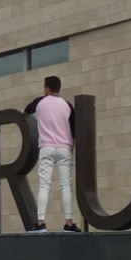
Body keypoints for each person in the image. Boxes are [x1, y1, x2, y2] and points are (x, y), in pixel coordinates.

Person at [23, 76, 82, 233]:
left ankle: (40, 222)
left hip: (46, 147)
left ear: (47, 88)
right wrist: (71, 149)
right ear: (59, 88)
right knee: (66, 186)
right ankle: (69, 223)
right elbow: (74, 131)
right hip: (64, 147)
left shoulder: (40, 102)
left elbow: (26, 110)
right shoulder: (67, 105)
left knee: (44, 185)